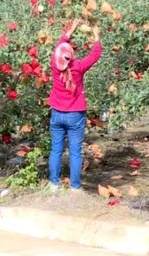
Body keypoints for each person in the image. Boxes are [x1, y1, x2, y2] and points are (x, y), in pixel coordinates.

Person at [47, 20, 102, 191]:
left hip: (57, 113)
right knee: (75, 152)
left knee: (56, 150)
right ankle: (75, 187)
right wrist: (96, 36)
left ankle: (53, 184)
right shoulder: (78, 67)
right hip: (75, 114)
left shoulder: (55, 65)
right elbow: (95, 55)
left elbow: (59, 46)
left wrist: (70, 30)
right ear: (71, 56)